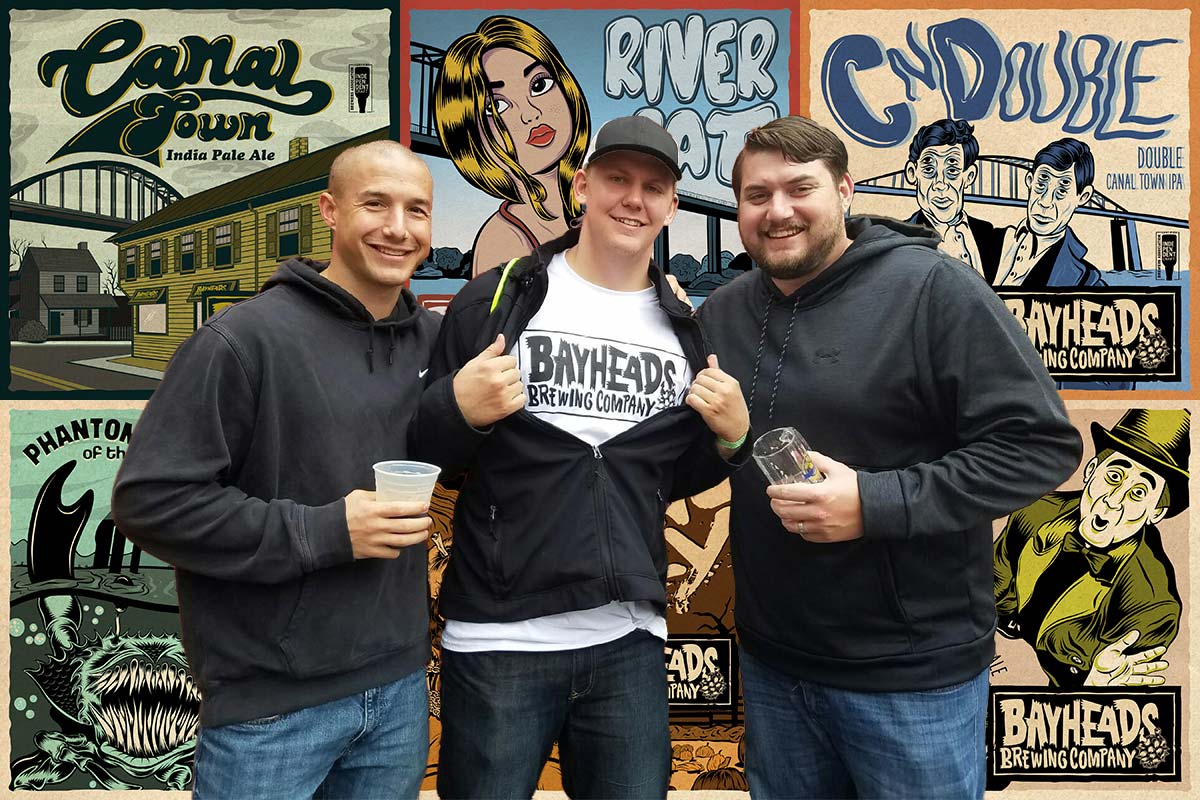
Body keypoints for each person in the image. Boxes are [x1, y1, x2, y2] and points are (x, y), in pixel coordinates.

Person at [698, 115, 1083, 799]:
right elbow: (708, 455)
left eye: (800, 188)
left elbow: (1040, 445)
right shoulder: (721, 314)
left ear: (845, 190)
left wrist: (873, 503)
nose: (777, 210)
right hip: (773, 665)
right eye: (757, 195)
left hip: (912, 679)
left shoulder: (936, 290)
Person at [412, 115, 751, 799]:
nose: (634, 199)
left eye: (654, 187)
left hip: (629, 641)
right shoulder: (497, 299)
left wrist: (733, 441)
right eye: (618, 179)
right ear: (583, 183)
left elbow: (673, 475)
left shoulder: (685, 324)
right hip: (499, 640)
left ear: (672, 207)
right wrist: (457, 411)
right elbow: (429, 455)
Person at [111, 141, 440, 799]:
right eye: (375, 204)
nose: (398, 228)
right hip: (272, 707)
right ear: (329, 211)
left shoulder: (432, 344)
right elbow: (151, 500)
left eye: (417, 211)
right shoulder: (243, 339)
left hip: (399, 691)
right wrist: (324, 531)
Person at [994, 408, 1187, 687]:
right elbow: (989, 593)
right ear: (1091, 470)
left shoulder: (1152, 606)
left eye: (1138, 493)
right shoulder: (1033, 512)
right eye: (1114, 477)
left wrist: (1091, 685)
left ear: (1155, 512)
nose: (1113, 501)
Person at [436, 15, 590, 276]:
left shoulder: (592, 216)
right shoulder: (504, 241)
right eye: (496, 105)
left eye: (539, 85)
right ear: (469, 134)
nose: (530, 114)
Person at [995, 137, 1104, 288]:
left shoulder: (1086, 282)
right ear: (1030, 181)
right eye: (1041, 184)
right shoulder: (989, 240)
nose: (1045, 202)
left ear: (1083, 197)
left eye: (1061, 190)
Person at [904, 118, 1003, 282]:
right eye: (929, 169)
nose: (940, 184)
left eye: (952, 170)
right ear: (912, 173)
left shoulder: (989, 235)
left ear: (969, 176)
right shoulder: (900, 240)